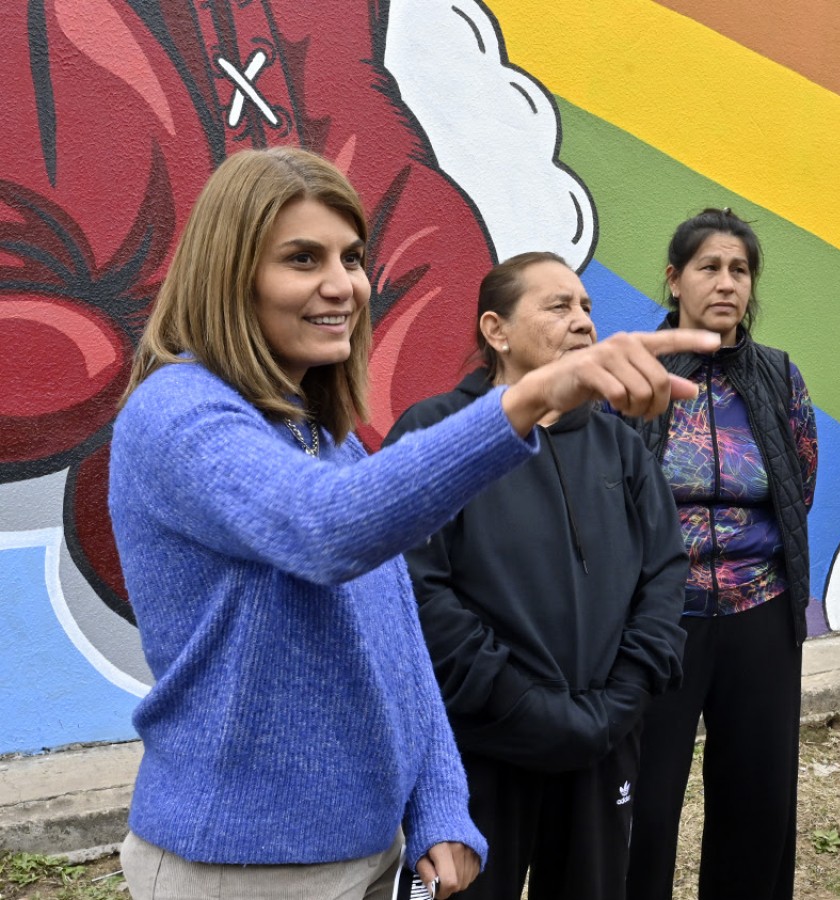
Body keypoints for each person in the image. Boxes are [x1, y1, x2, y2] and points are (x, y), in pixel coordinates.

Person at [108, 147, 718, 900]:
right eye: (303, 259)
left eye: (353, 257)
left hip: (365, 853)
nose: (343, 285)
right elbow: (326, 529)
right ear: (229, 274)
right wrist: (529, 399)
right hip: (238, 867)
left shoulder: (319, 436)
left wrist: (436, 801)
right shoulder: (178, 412)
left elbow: (396, 635)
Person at [386, 252, 691, 900]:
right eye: (559, 306)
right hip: (477, 754)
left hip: (603, 744)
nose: (582, 320)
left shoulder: (621, 446)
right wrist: (523, 705)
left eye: (586, 307)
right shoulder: (436, 432)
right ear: (496, 330)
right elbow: (418, 592)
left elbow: (665, 574)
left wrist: (619, 701)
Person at [624, 208, 818, 900]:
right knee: (642, 812)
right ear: (675, 280)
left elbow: (798, 488)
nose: (727, 283)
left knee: (757, 807)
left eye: (740, 269)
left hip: (758, 616)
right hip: (655, 623)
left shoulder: (779, 377)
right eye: (709, 267)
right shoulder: (636, 375)